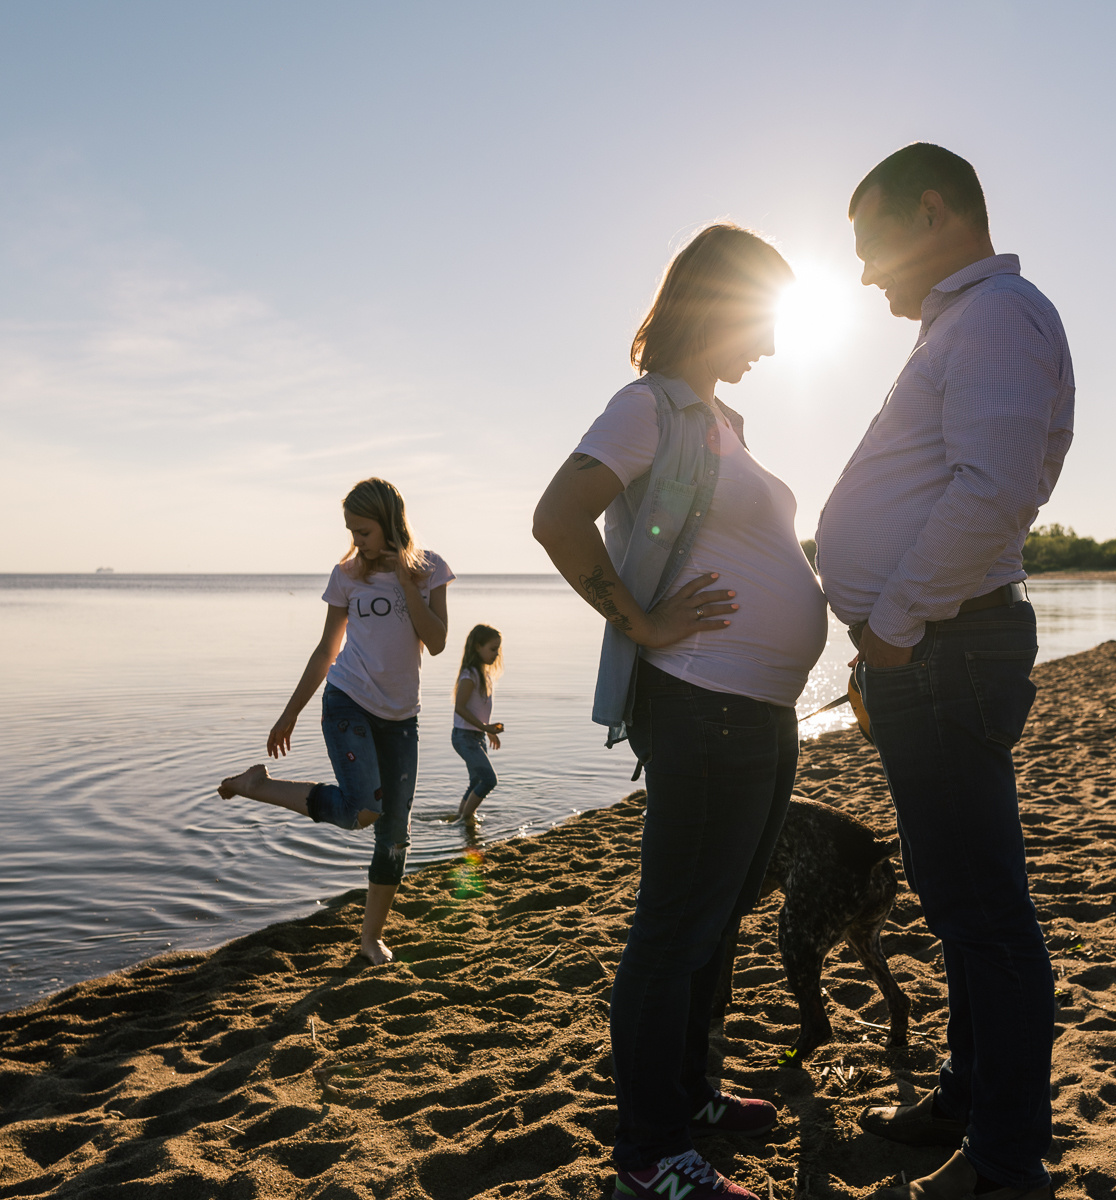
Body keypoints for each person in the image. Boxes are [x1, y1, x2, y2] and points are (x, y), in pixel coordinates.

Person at [532, 224, 827, 1200]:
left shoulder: (720, 422)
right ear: (719, 302)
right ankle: (649, 1154)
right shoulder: (647, 407)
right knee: (672, 931)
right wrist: (644, 623)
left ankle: (692, 1096)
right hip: (701, 702)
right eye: (765, 318)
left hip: (761, 710)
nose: (772, 344)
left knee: (720, 916)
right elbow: (557, 518)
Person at [815, 143, 1072, 1200]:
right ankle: (967, 1100)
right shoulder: (965, 323)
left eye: (868, 243)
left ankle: (1004, 1162)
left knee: (984, 913)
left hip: (942, 646)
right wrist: (885, 635)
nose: (860, 271)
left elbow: (991, 491)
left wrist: (892, 626)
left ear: (930, 214)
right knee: (955, 896)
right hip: (930, 646)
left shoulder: (997, 316)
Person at [216, 477, 452, 967]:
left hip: (401, 716)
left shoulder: (430, 569)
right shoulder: (346, 576)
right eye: (351, 531)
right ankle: (259, 786)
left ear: (390, 523)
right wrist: (290, 712)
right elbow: (327, 649)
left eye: (363, 531)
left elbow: (436, 642)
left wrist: (405, 581)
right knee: (363, 811)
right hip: (348, 700)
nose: (356, 541)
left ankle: (370, 939)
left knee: (394, 834)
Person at [450, 623, 504, 822]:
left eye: (498, 649)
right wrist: (485, 727)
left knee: (476, 780)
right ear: (477, 647)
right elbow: (460, 707)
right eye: (493, 649)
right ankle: (466, 820)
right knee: (489, 780)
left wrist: (488, 731)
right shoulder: (469, 675)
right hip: (464, 737)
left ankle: (461, 817)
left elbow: (478, 709)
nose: (496, 654)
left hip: (476, 736)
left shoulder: (484, 674)